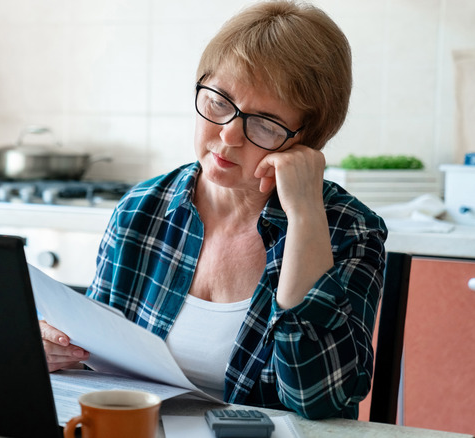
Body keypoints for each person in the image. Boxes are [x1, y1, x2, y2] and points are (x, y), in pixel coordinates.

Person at [40, 0, 387, 420]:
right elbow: (101, 364)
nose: (227, 134)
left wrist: (305, 217)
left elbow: (318, 399)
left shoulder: (349, 230)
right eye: (219, 101)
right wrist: (62, 353)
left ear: (307, 140)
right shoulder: (142, 208)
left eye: (263, 122)